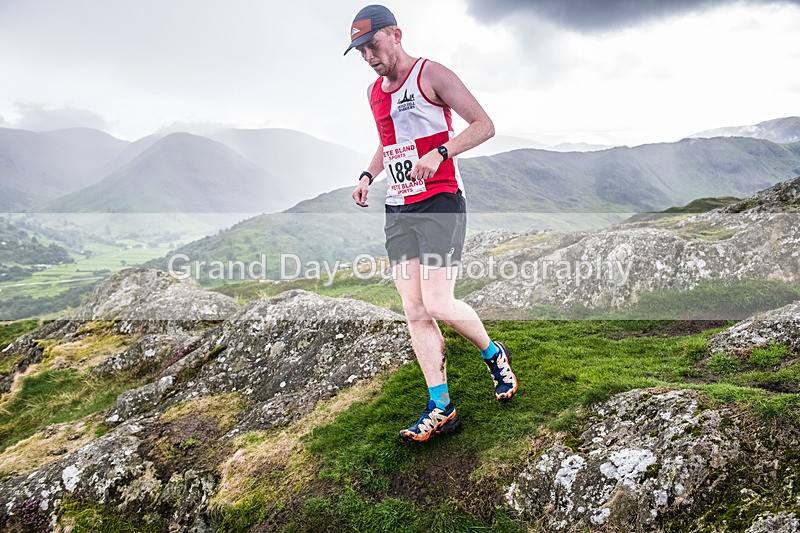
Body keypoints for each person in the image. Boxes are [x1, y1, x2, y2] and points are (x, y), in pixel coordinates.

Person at [346, 4, 518, 443]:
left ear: (395, 35)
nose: (367, 55)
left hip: (440, 200)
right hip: (400, 207)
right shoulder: (373, 93)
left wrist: (442, 152)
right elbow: (390, 145)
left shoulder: (431, 74)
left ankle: (494, 354)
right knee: (414, 308)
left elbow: (485, 125)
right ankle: (441, 406)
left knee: (439, 303)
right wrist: (369, 175)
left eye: (372, 44)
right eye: (360, 50)